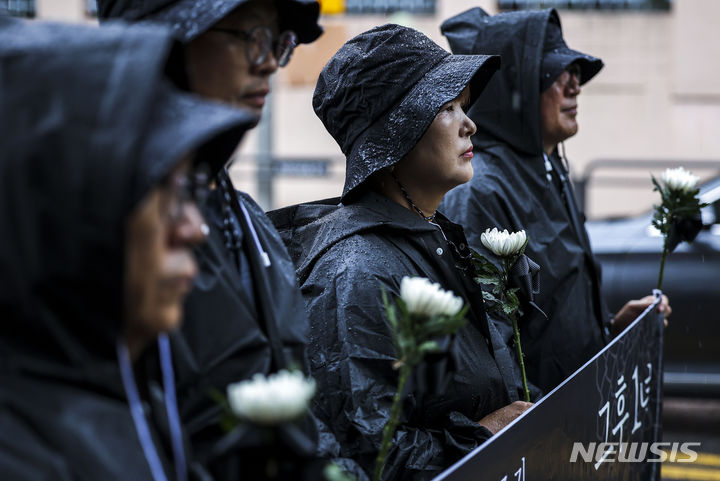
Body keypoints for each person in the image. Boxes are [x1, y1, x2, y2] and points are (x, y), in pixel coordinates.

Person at [269, 25, 534, 481]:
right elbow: (369, 453)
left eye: (464, 107)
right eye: (448, 107)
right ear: (395, 138)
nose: (470, 124)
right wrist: (483, 436)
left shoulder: (436, 235)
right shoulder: (355, 273)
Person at [0, 16, 254, 481]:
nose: (195, 229)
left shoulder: (132, 387)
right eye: (168, 192)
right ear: (64, 208)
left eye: (192, 188)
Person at [96, 0, 329, 472]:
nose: (268, 62)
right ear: (167, 43)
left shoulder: (248, 219)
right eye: (251, 37)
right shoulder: (102, 229)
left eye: (278, 43)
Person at [439, 7, 671, 393]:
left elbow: (551, 312)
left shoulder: (549, 167)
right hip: (544, 433)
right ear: (513, 87)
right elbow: (488, 349)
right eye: (554, 74)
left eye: (576, 74)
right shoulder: (479, 191)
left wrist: (611, 329)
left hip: (578, 413)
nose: (574, 85)